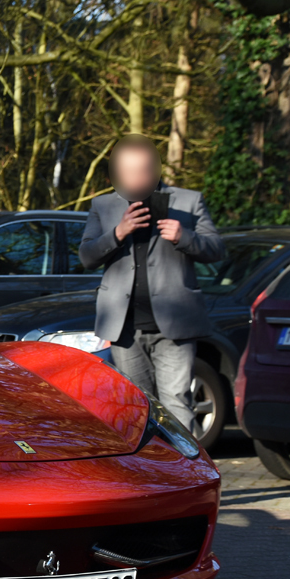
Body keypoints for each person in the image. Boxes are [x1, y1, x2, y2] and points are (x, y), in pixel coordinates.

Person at [78, 135, 225, 430]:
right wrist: (118, 233)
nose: (137, 177)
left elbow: (217, 250)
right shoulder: (104, 205)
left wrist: (185, 237)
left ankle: (190, 474)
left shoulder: (188, 200)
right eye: (129, 171)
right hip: (125, 327)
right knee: (139, 406)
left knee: (175, 401)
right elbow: (86, 257)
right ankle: (151, 474)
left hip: (175, 324)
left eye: (143, 170)